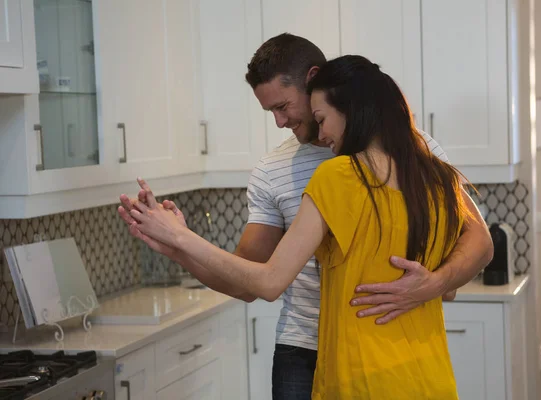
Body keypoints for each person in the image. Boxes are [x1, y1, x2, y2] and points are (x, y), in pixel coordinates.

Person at [118, 34, 493, 399]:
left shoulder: (410, 152)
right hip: (324, 350)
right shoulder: (276, 169)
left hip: (367, 358)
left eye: (283, 107)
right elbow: (249, 278)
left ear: (315, 81)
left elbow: (478, 241)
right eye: (270, 113)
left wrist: (435, 283)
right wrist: (179, 246)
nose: (280, 122)